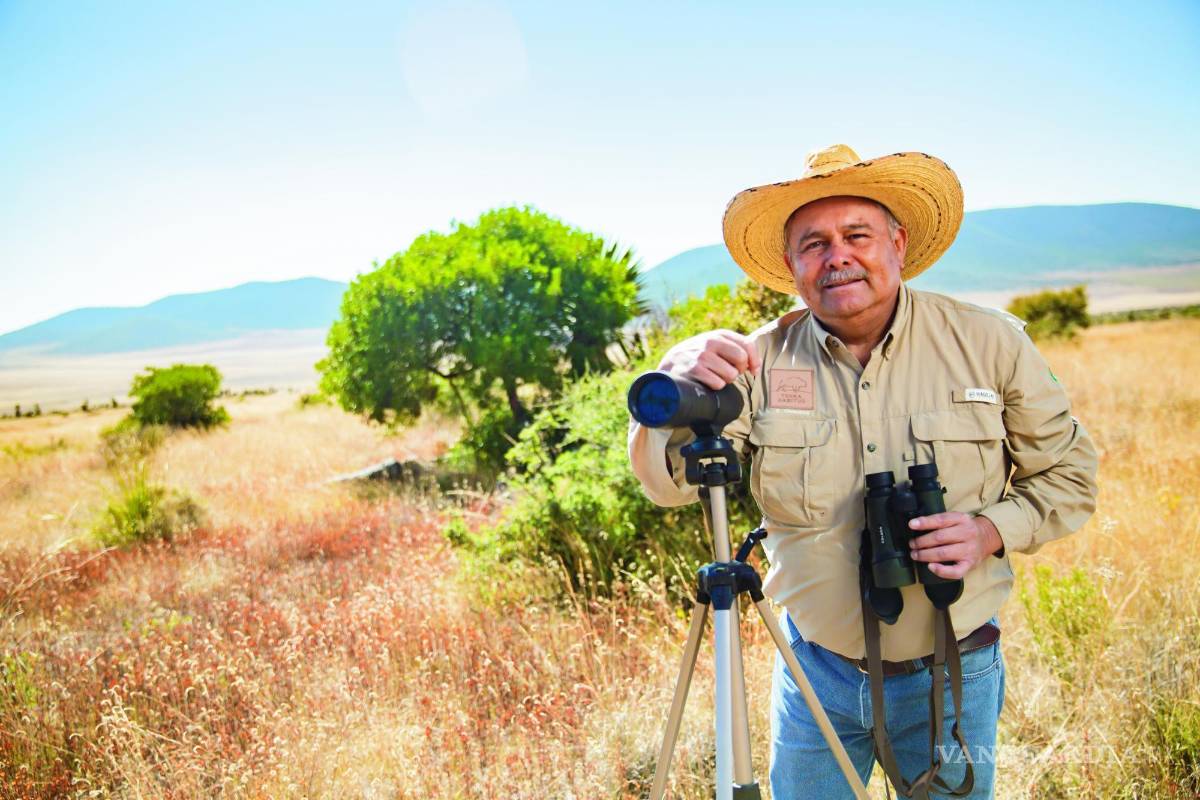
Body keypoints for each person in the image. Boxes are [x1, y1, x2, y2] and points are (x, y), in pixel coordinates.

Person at [628, 144, 1099, 799]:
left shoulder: (990, 342)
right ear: (791, 265)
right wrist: (674, 379)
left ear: (898, 244)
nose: (836, 255)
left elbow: (1070, 476)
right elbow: (668, 485)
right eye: (813, 243)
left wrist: (988, 531)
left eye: (857, 235)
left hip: (956, 672)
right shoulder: (755, 362)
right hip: (815, 668)